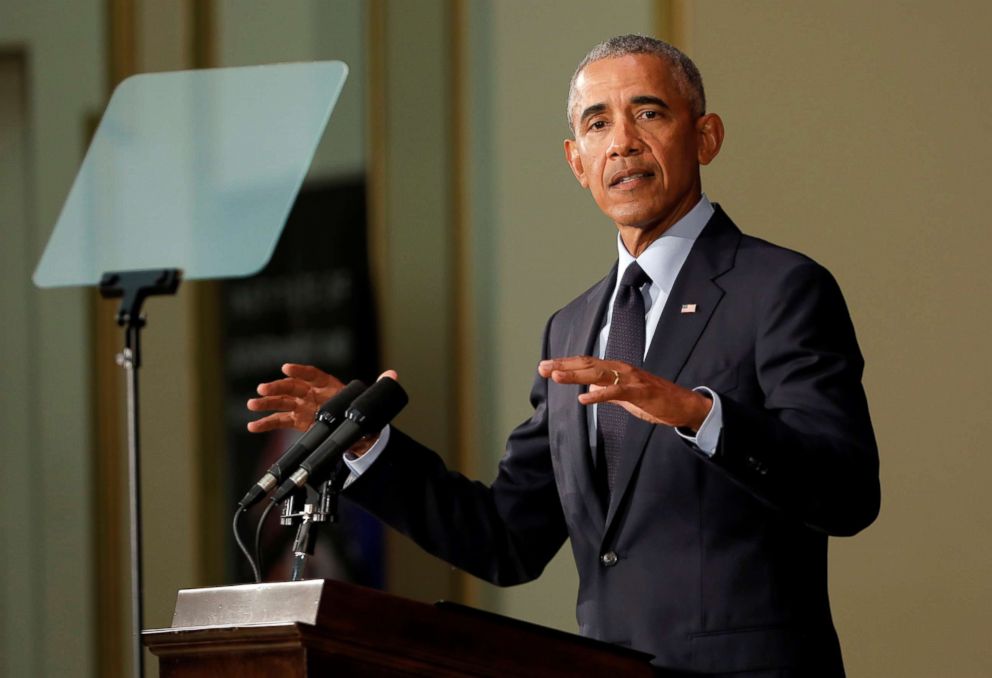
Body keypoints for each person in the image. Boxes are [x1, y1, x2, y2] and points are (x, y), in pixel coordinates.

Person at [247, 35, 879, 677]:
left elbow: (847, 493)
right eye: (597, 123)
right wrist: (366, 446)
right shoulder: (572, 329)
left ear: (706, 136)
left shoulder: (779, 289)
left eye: (649, 113)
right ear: (578, 162)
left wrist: (695, 413)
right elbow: (505, 540)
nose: (623, 141)